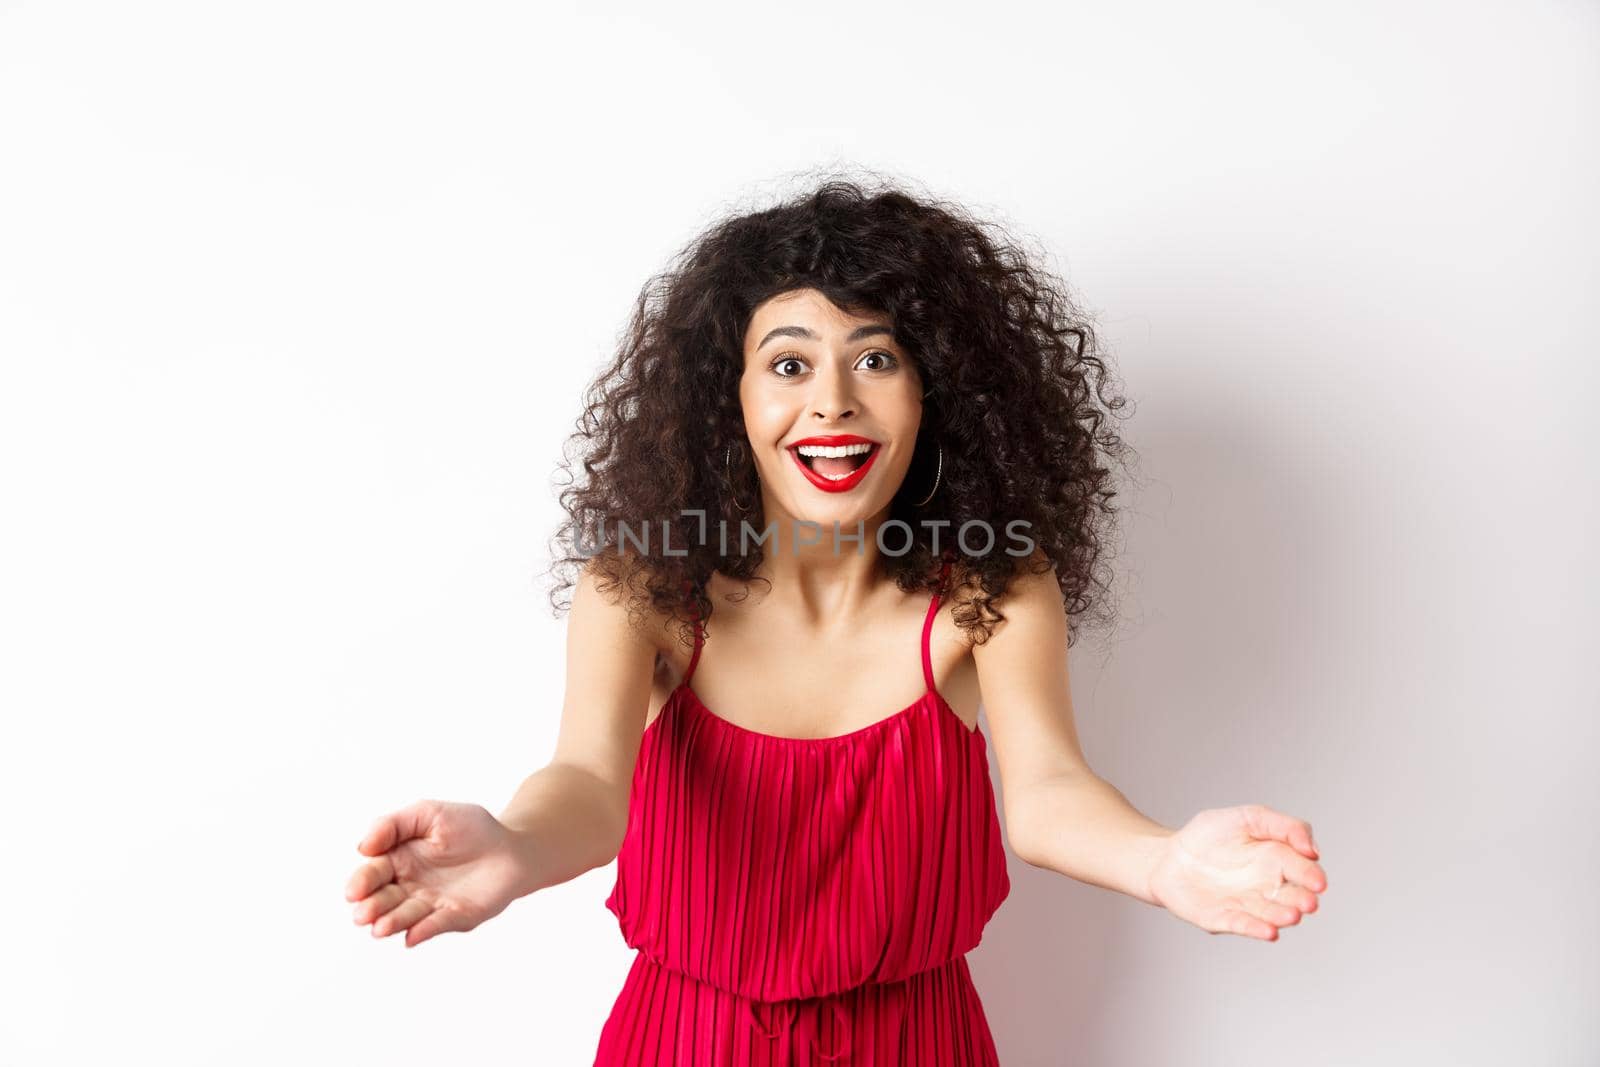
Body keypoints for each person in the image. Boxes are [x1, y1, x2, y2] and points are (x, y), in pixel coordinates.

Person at [344, 176, 1328, 1064]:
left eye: (876, 359)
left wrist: (1163, 860)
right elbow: (585, 786)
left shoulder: (991, 593)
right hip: (684, 1040)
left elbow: (1048, 795)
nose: (831, 404)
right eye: (787, 364)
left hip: (917, 1041)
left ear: (934, 390)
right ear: (727, 398)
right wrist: (514, 844)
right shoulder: (640, 591)